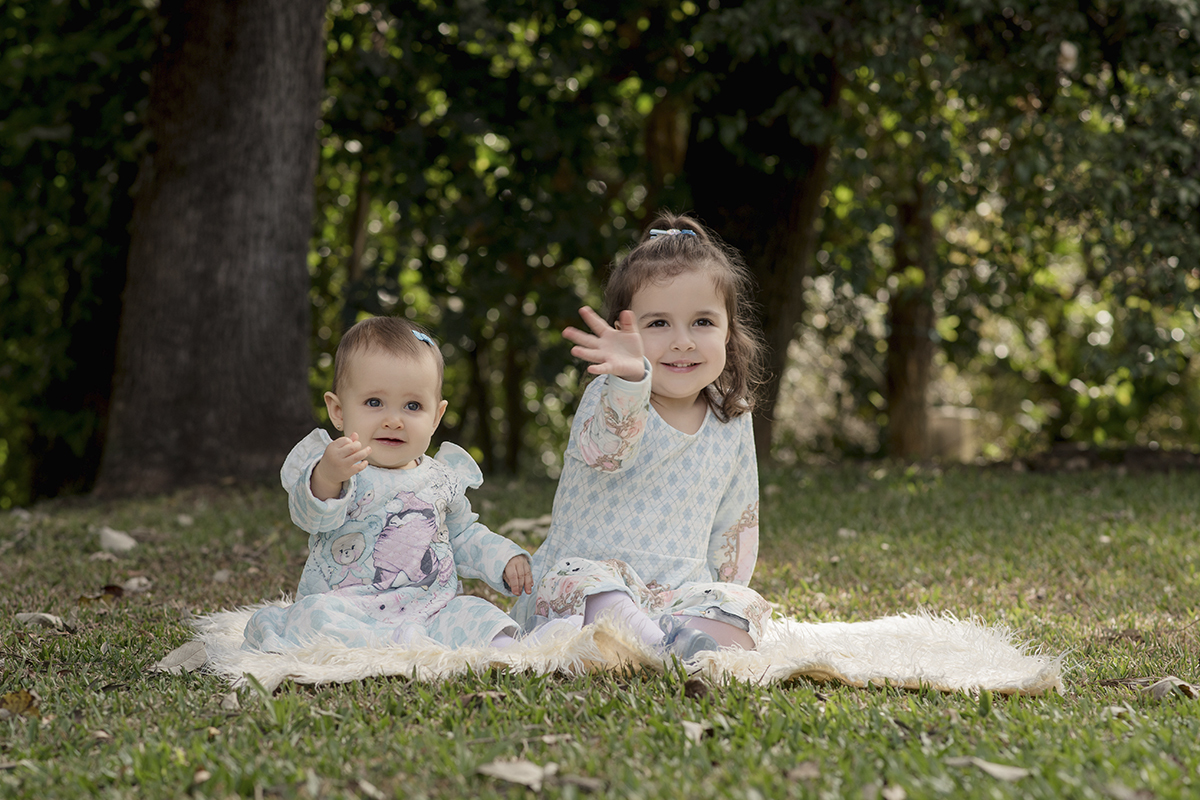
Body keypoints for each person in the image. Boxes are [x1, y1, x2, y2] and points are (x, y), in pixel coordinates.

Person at [511, 213, 773, 660]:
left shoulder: (731, 418)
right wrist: (630, 380)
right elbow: (607, 452)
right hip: (590, 587)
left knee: (744, 609)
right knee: (588, 585)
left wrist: (721, 591)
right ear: (621, 335)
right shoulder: (611, 397)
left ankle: (673, 639)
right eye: (658, 324)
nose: (683, 341)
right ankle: (659, 647)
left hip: (675, 594)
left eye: (703, 323)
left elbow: (738, 519)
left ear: (730, 331)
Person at [243, 316, 538, 652]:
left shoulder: (441, 479)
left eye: (413, 406)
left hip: (428, 609)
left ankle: (504, 647)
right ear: (338, 411)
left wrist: (505, 558)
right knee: (314, 616)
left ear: (436, 417)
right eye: (374, 402)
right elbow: (310, 517)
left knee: (474, 612)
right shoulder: (342, 468)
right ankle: (385, 644)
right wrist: (326, 476)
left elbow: (463, 534)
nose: (393, 420)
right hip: (349, 606)